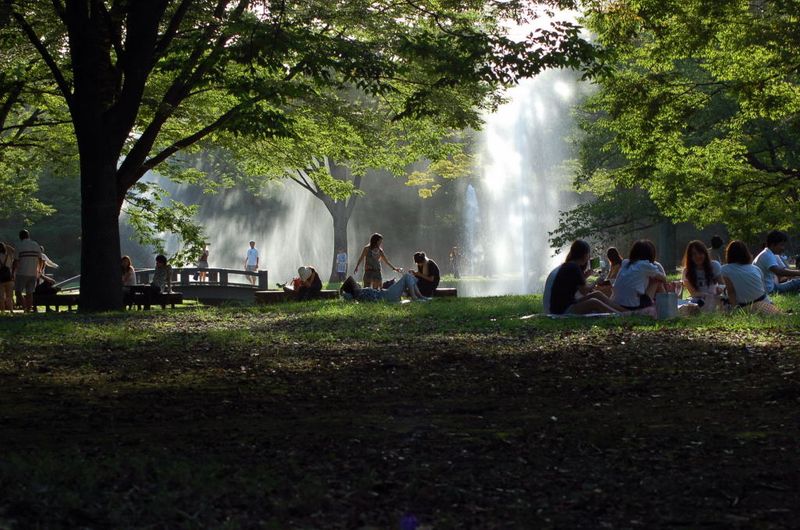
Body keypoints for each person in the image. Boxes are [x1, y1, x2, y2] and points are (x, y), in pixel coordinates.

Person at [549, 240, 626, 315]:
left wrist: (587, 275)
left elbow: (576, 283)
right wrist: (596, 281)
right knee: (594, 302)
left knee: (597, 294)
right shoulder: (574, 267)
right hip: (563, 310)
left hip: (563, 305)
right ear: (584, 254)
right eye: (588, 254)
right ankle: (620, 314)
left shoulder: (570, 265)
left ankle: (624, 310)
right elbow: (584, 291)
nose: (589, 257)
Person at [721, 240, 778, 313]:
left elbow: (731, 292)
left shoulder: (725, 269)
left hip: (746, 307)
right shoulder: (756, 268)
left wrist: (734, 310)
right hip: (765, 303)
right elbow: (763, 289)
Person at [611, 239, 668, 310]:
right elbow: (664, 278)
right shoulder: (645, 265)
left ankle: (663, 306)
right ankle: (666, 308)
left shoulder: (625, 263)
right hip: (633, 306)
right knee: (657, 281)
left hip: (617, 302)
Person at [753, 230, 800, 295]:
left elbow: (782, 270)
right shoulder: (768, 255)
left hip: (765, 289)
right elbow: (779, 272)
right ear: (772, 245)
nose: (783, 248)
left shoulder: (767, 253)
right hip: (769, 291)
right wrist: (798, 272)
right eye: (781, 245)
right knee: (798, 282)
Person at [681, 240, 722, 309]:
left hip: (714, 301)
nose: (698, 256)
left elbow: (722, 285)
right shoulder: (686, 271)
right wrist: (706, 295)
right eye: (694, 254)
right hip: (697, 302)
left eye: (700, 253)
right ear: (690, 257)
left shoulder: (715, 265)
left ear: (705, 253)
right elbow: (693, 293)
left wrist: (720, 289)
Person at [340, 272, 429, 302]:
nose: (357, 283)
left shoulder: (359, 293)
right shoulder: (357, 293)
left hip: (386, 294)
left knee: (409, 277)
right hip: (386, 295)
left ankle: (419, 296)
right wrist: (342, 291)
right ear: (353, 287)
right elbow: (346, 295)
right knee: (407, 276)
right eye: (355, 283)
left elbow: (347, 295)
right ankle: (416, 297)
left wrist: (343, 291)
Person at [13, 230, 42, 313]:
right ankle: (29, 309)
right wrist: (39, 270)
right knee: (30, 293)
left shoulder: (19, 245)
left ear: (20, 237)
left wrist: (12, 272)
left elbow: (15, 260)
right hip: (33, 273)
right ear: (28, 236)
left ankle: (25, 307)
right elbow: (40, 258)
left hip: (22, 272)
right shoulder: (36, 244)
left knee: (18, 292)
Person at [0, 242, 15, 313]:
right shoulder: (8, 256)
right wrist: (7, 246)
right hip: (9, 278)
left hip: (0, 279)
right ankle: (11, 311)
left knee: (1, 297)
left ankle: (2, 311)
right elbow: (14, 251)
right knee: (9, 297)